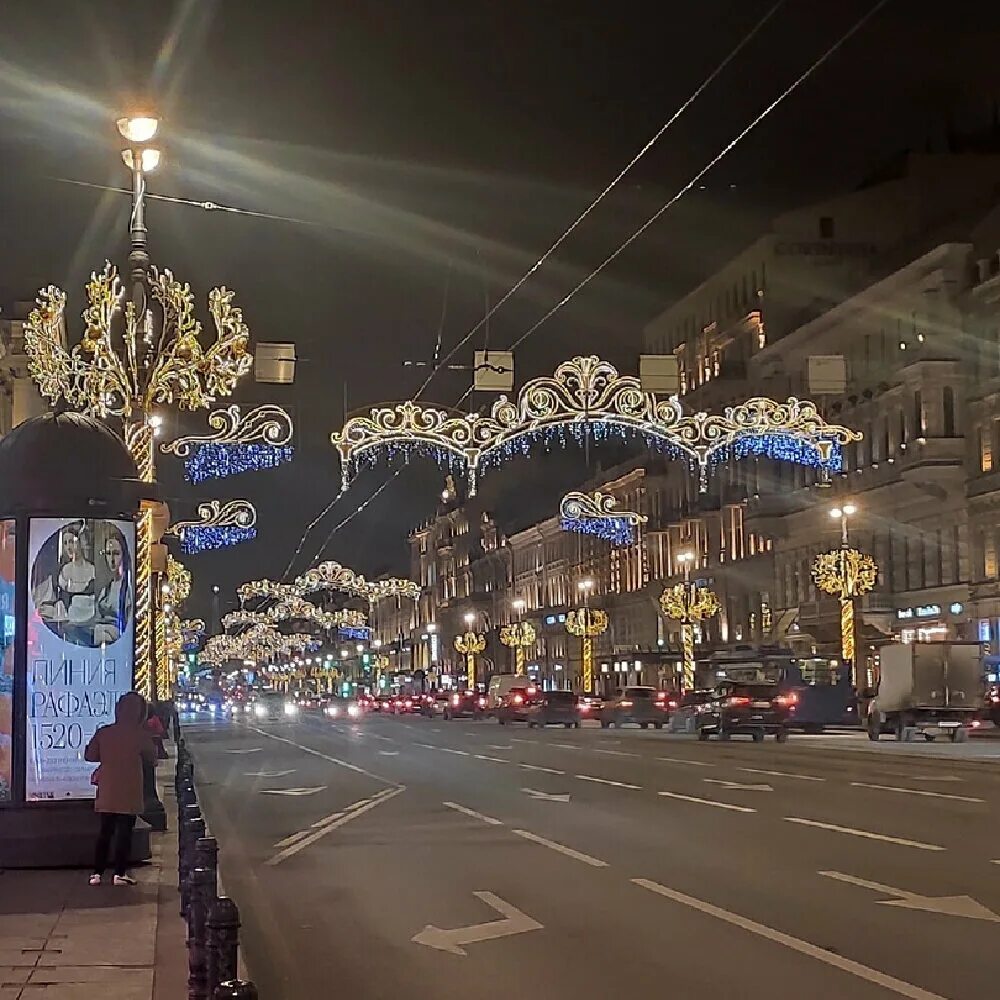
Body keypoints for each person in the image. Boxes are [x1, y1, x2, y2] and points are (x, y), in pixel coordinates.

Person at [84, 691, 155, 886]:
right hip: (129, 790)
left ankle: (97, 874)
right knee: (124, 833)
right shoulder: (140, 735)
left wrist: (109, 756)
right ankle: (119, 873)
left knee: (104, 832)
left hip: (107, 789)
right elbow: (153, 758)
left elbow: (90, 755)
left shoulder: (104, 732)